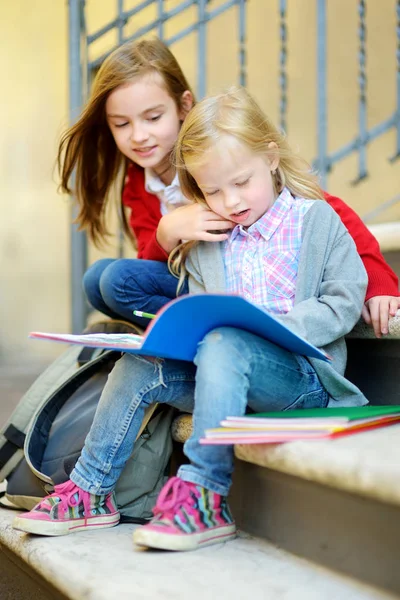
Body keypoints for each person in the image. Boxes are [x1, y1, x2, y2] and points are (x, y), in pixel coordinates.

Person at [14, 87, 371, 551]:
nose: (231, 201)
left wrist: (276, 324)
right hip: (221, 378)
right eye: (213, 191)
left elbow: (343, 301)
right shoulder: (209, 242)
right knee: (140, 364)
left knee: (227, 339)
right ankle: (89, 491)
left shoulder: (314, 220)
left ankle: (205, 493)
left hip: (300, 380)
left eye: (241, 182)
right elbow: (202, 317)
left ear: (271, 157)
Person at [58, 38, 399, 336]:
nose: (139, 135)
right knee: (98, 280)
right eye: (122, 124)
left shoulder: (221, 151)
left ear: (183, 106)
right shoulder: (138, 183)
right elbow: (154, 264)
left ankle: (209, 333)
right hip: (200, 281)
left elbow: (333, 216)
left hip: (257, 280)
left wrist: (379, 283)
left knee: (112, 277)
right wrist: (166, 233)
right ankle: (185, 335)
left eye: (152, 117)